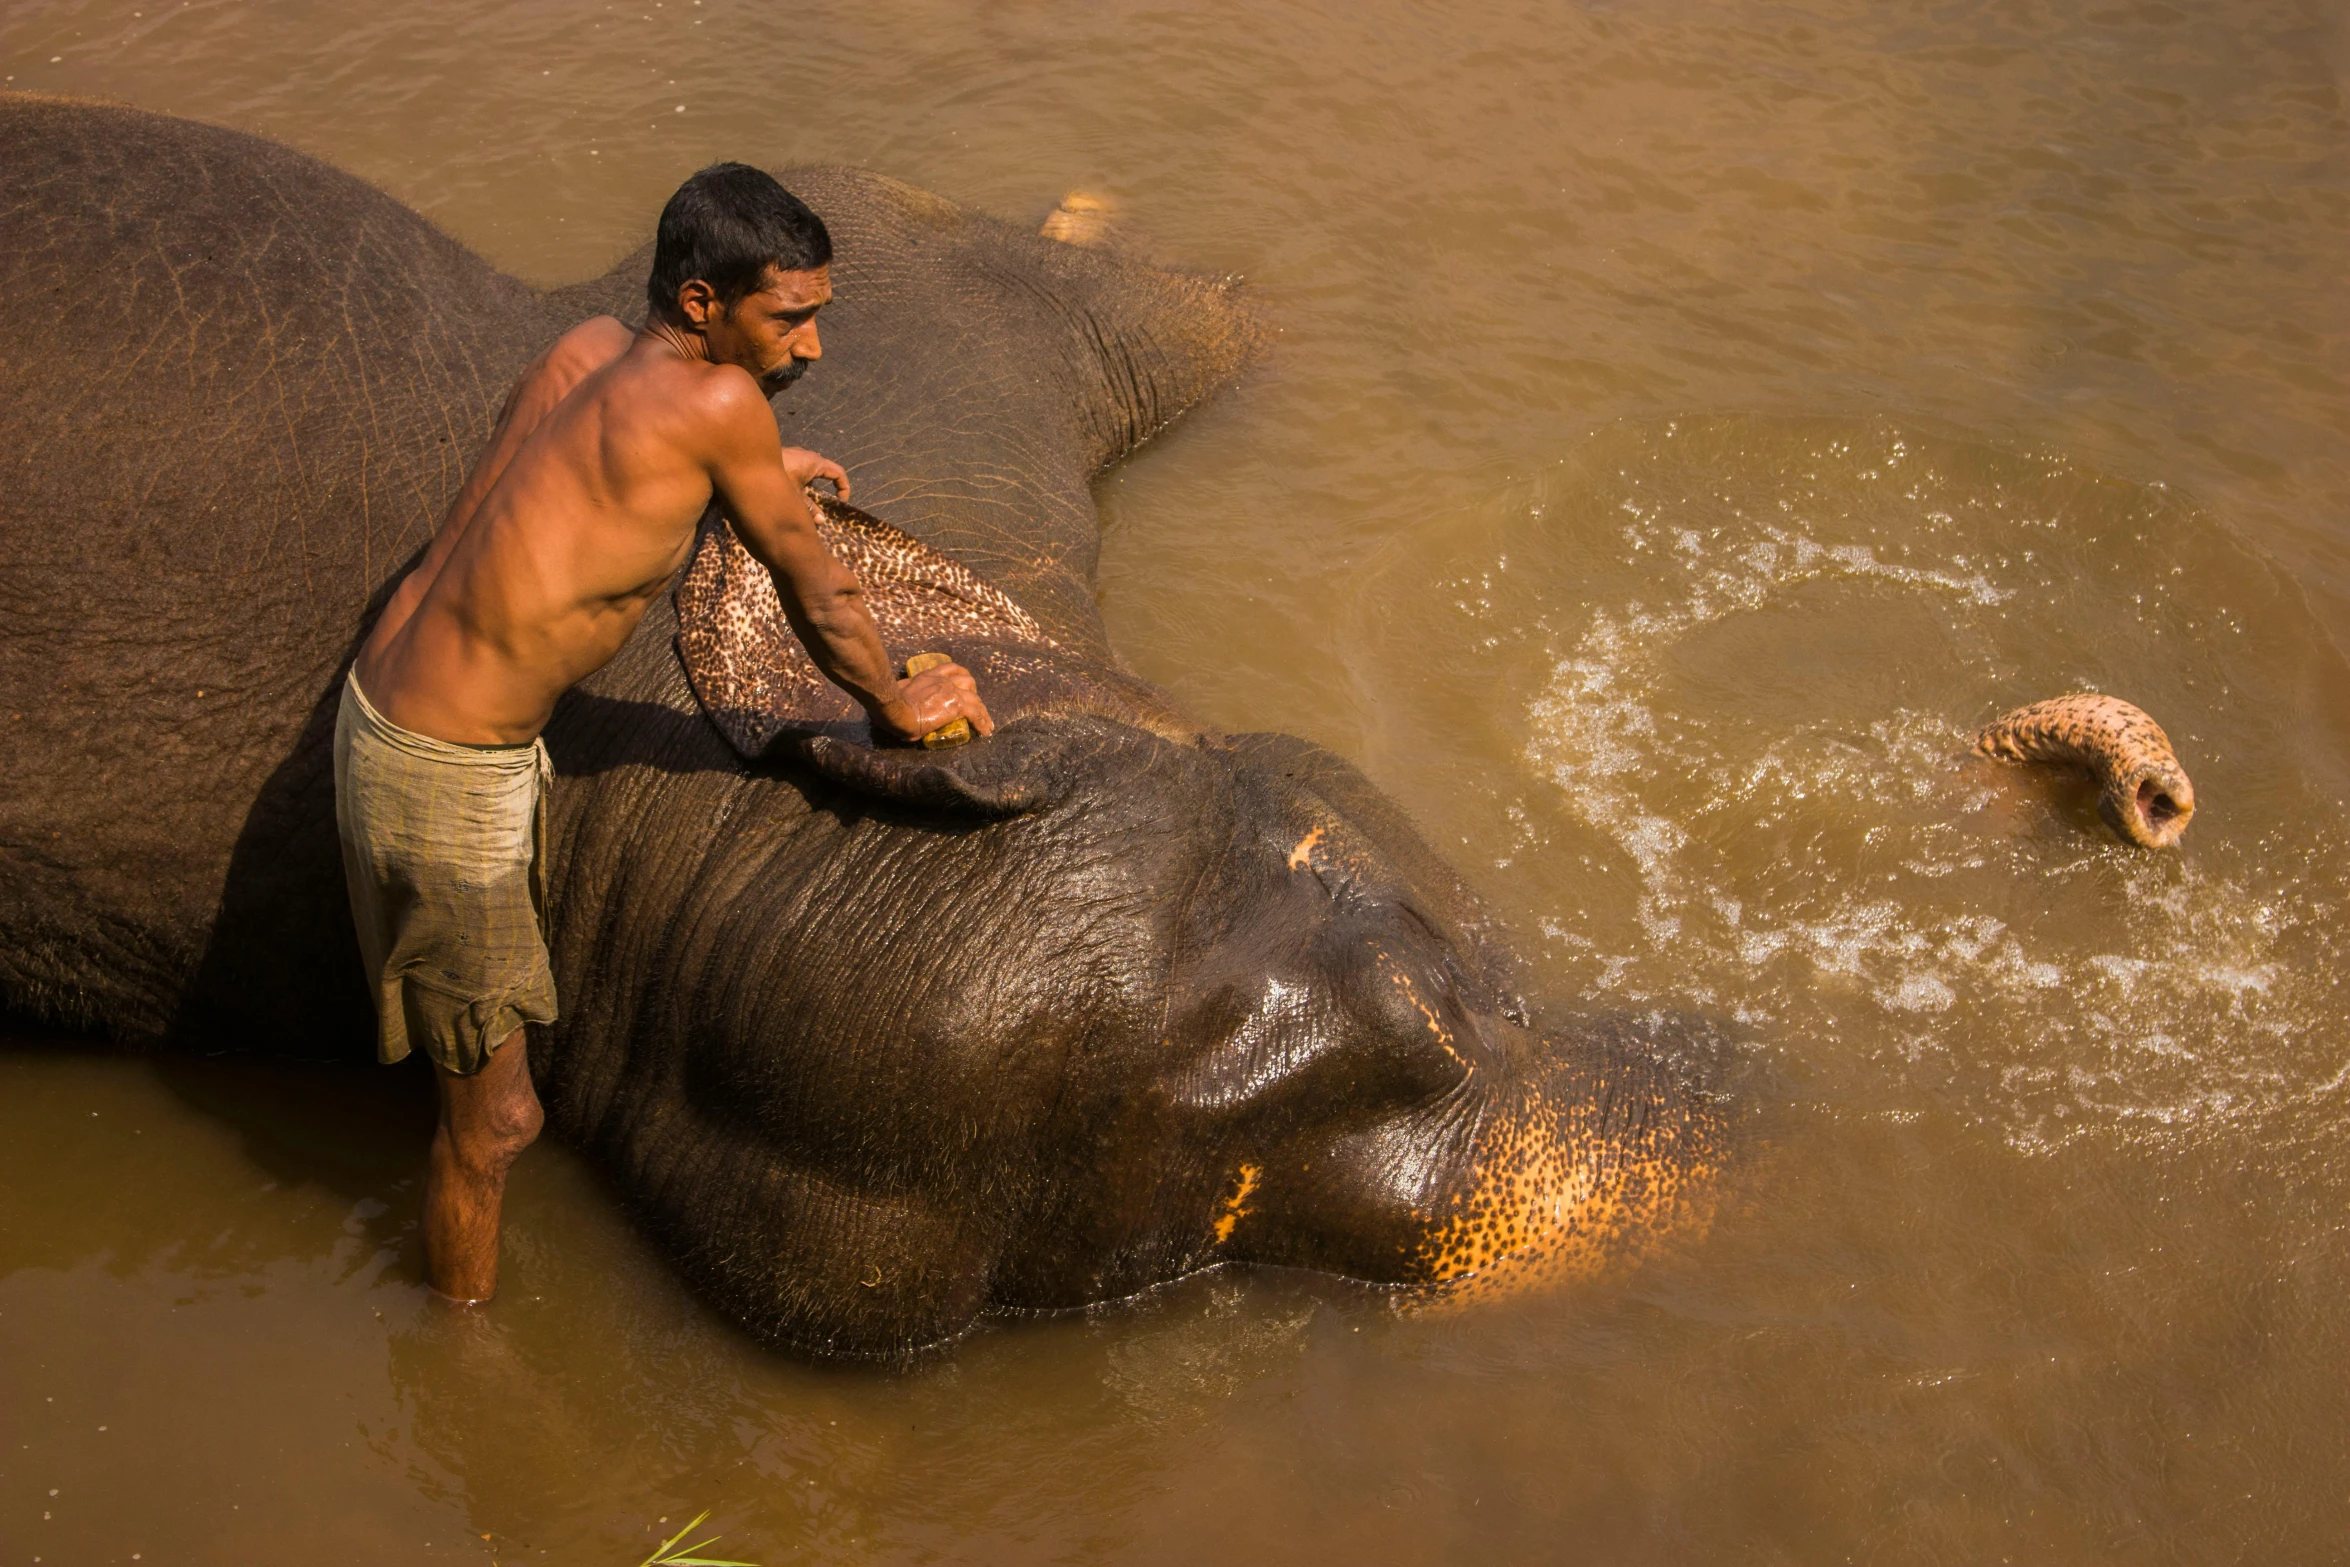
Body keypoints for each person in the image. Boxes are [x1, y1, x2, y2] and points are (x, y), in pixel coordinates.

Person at [335, 162, 993, 1304]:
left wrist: (740, 473)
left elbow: (565, 478)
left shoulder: (586, 351)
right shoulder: (718, 409)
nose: (812, 349)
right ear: (701, 306)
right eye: (789, 318)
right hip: (448, 781)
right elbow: (822, 593)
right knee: (494, 1126)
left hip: (380, 715)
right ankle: (458, 1374)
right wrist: (894, 697)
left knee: (479, 1093)